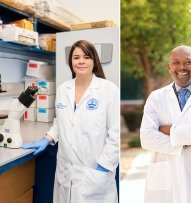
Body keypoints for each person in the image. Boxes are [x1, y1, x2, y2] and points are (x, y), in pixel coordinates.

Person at [22, 40, 119, 203]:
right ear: (70, 62)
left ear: (93, 61)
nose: (81, 61)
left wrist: (103, 168)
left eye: (86, 57)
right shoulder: (63, 89)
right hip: (66, 173)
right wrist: (47, 139)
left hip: (94, 173)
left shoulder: (109, 90)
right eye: (76, 57)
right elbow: (60, 122)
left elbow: (115, 136)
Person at [140, 45, 191, 203]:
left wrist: (167, 130)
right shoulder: (156, 98)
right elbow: (146, 138)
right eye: (176, 63)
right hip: (164, 179)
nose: (182, 67)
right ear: (169, 67)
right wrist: (187, 141)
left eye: (188, 62)